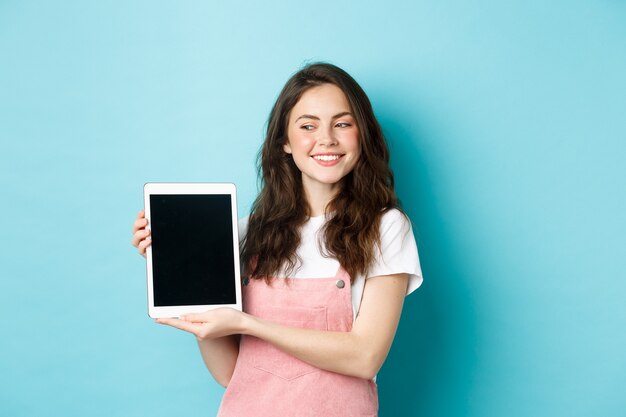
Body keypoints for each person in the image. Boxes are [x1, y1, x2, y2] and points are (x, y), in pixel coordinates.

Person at [131, 62, 422, 416]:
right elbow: (230, 374)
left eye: (342, 123)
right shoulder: (245, 234)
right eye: (308, 126)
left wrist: (248, 324)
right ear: (284, 141)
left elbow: (365, 356)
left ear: (363, 134)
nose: (326, 139)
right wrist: (184, 274)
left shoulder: (386, 228)